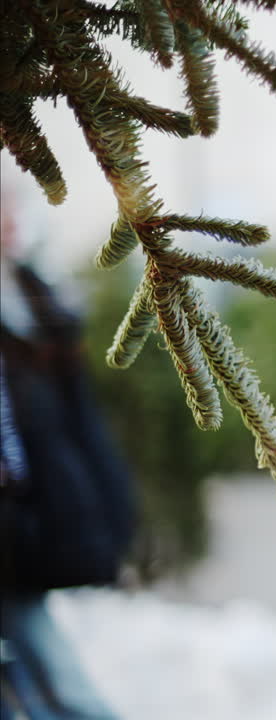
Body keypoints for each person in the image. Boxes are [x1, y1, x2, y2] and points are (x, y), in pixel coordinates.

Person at [0, 194, 135, 720]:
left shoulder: (35, 301)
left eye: (11, 206)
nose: (11, 220)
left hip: (21, 527)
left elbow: (71, 430)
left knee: (54, 676)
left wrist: (107, 514)